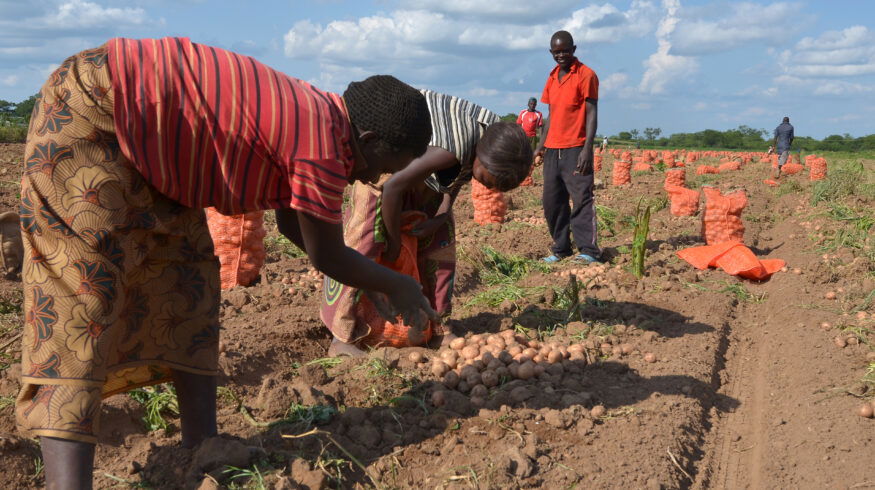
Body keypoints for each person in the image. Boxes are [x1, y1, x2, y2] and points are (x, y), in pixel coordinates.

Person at [16, 37, 437, 490]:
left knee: (188, 278)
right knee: (83, 298)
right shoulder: (323, 144)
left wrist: (370, 280)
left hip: (157, 143)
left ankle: (204, 447)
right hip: (97, 106)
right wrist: (397, 284)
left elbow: (295, 226)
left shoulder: (323, 121)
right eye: (382, 165)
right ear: (367, 138)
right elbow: (326, 253)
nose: (373, 178)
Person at [323, 90, 533, 356]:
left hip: (418, 171)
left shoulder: (497, 137)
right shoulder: (450, 150)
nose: (484, 185)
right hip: (382, 168)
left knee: (441, 242)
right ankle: (342, 336)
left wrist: (441, 215)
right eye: (485, 179)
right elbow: (392, 188)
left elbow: (458, 176)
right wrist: (394, 244)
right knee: (364, 243)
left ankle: (437, 324)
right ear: (481, 156)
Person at [534, 30, 600, 263]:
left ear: (573, 49)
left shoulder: (586, 75)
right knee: (552, 202)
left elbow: (591, 113)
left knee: (581, 199)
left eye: (565, 51)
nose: (560, 55)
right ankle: (561, 249)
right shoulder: (552, 77)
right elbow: (551, 115)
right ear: (551, 52)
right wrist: (540, 146)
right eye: (556, 52)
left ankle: (589, 251)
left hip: (576, 148)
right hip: (553, 149)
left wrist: (587, 149)